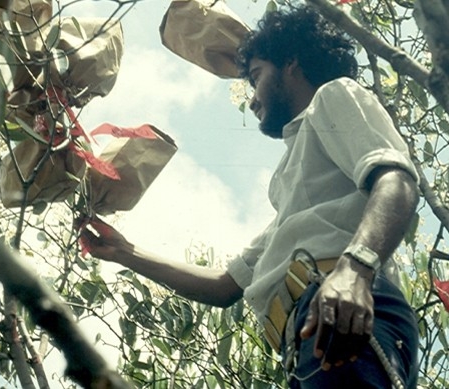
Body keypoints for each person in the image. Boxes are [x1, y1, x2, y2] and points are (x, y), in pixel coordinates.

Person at [79, 6, 421, 388]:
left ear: (291, 63)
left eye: (256, 76)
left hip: (343, 307)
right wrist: (124, 252)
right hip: (308, 338)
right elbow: (225, 286)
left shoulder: (334, 94)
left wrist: (354, 270)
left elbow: (397, 179)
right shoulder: (294, 197)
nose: (253, 99)